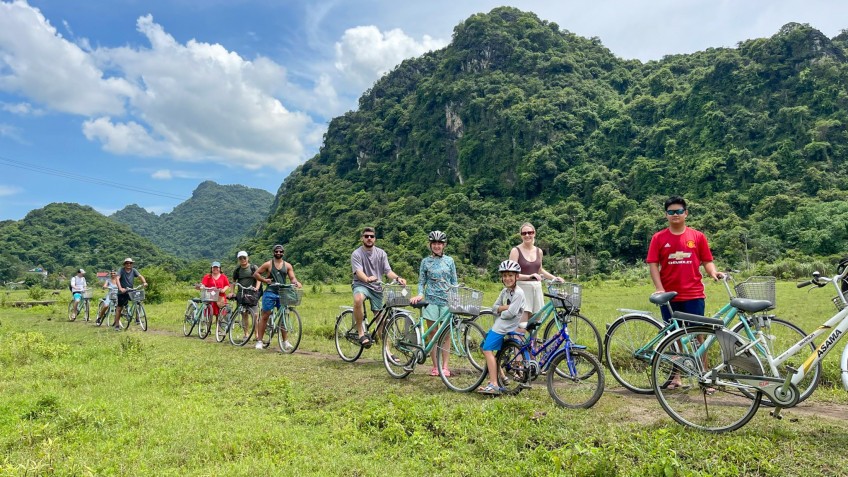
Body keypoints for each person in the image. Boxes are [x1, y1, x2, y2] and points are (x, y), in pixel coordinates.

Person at [647, 196, 722, 389]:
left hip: (694, 294)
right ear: (666, 215)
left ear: (686, 213)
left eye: (679, 211)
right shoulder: (658, 238)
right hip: (669, 297)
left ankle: (703, 375)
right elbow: (653, 264)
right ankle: (676, 376)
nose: (675, 215)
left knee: (699, 336)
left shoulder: (697, 236)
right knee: (673, 336)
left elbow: (707, 260)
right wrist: (659, 288)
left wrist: (713, 273)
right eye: (671, 212)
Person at [410, 230, 458, 377]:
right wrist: (420, 294)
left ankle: (445, 366)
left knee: (446, 335)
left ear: (444, 245)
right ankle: (435, 366)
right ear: (430, 245)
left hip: (446, 301)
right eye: (434, 243)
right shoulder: (425, 262)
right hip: (430, 300)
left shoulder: (450, 261)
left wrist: (455, 297)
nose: (437, 246)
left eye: (439, 243)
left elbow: (454, 281)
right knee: (432, 334)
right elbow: (421, 282)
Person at [351, 227, 407, 348]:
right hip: (362, 284)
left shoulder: (381, 253)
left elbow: (388, 271)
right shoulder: (357, 254)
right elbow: (358, 272)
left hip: (377, 288)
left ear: (375, 238)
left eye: (371, 236)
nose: (369, 238)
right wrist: (367, 278)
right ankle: (361, 333)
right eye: (366, 236)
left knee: (381, 321)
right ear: (362, 238)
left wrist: (398, 278)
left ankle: (387, 352)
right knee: (358, 299)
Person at [478, 260, 526, 395]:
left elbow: (510, 313)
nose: (507, 278)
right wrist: (504, 308)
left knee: (487, 350)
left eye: (510, 275)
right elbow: (494, 308)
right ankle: (501, 376)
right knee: (483, 347)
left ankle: (493, 384)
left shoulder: (519, 293)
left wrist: (501, 311)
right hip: (500, 323)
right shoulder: (505, 291)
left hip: (503, 326)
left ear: (517, 276)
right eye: (505, 276)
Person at [508, 222, 563, 325]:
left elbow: (540, 270)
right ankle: (515, 341)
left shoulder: (539, 251)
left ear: (534, 233)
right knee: (521, 326)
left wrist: (554, 278)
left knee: (535, 326)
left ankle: (533, 342)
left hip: (536, 289)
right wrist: (529, 276)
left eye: (530, 232)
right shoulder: (515, 251)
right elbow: (511, 275)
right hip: (522, 290)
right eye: (524, 233)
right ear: (521, 235)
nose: (527, 235)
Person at [253, 244, 301, 351]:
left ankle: (285, 342)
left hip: (282, 292)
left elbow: (292, 278)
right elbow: (256, 274)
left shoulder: (287, 265)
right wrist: (265, 280)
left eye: (280, 251)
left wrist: (296, 282)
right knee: (265, 315)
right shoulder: (268, 264)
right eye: (276, 251)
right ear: (273, 252)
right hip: (270, 292)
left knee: (284, 315)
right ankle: (260, 341)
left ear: (283, 253)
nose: (278, 253)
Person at [231, 251, 261, 339]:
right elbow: (233, 282)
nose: (243, 260)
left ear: (247, 258)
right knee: (244, 314)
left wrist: (257, 288)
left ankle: (257, 335)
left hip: (252, 293)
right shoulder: (237, 270)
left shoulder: (253, 267)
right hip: (241, 294)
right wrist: (232, 292)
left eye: (244, 258)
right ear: (238, 260)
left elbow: (258, 279)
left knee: (255, 315)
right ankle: (246, 334)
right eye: (240, 258)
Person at [114, 258, 147, 330]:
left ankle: (137, 319)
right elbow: (117, 279)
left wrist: (144, 282)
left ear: (132, 264)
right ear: (124, 264)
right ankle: (117, 325)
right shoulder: (121, 270)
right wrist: (120, 288)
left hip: (130, 290)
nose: (129, 264)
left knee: (138, 302)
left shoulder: (134, 270)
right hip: (122, 291)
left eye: (130, 263)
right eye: (127, 263)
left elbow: (140, 276)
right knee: (119, 308)